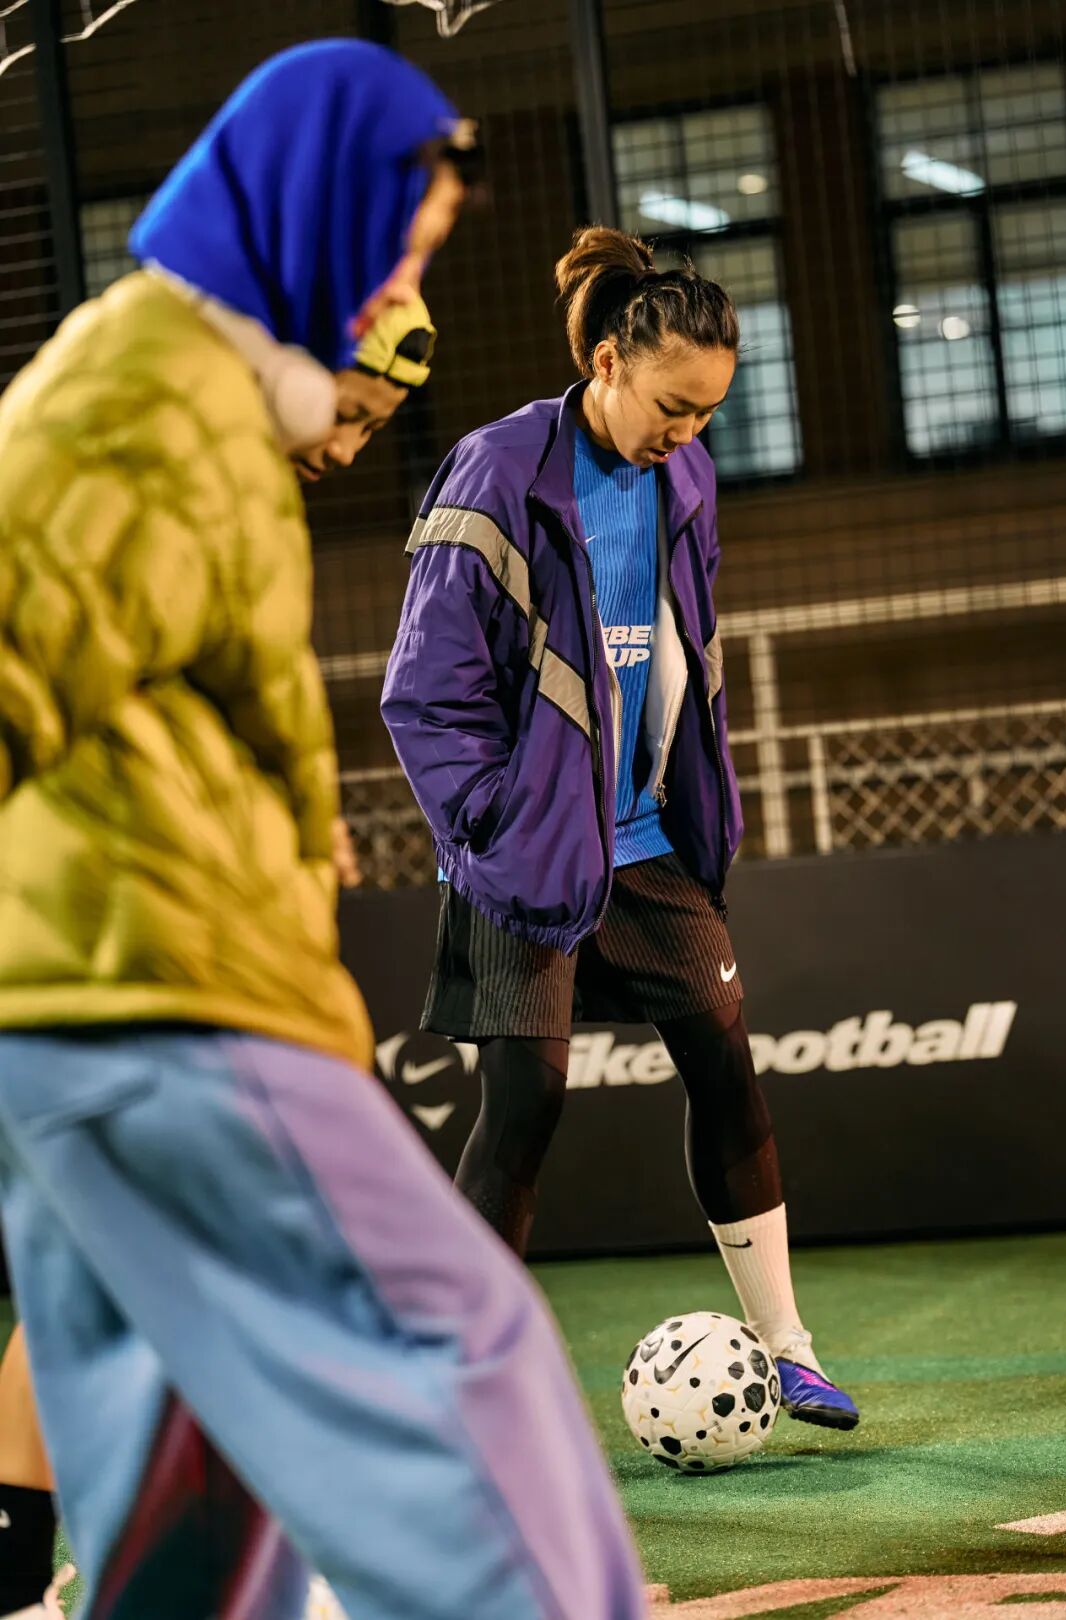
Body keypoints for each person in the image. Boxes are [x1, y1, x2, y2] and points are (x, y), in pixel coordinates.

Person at [0, 48, 646, 1620]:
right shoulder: (144, 406)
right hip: (162, 998)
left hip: (78, 1015)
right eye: (392, 251)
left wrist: (288, 833)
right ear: (301, 215)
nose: (396, 294)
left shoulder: (177, 395)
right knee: (453, 1348)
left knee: (190, 1489)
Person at [382, 224, 860, 1432]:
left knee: (726, 1061)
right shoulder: (495, 470)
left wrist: (697, 797)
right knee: (524, 1106)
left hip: (646, 843)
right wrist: (491, 829)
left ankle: (789, 1349)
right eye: (672, 406)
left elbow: (687, 650)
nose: (688, 434)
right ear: (606, 363)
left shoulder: (686, 478)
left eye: (708, 414)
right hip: (525, 851)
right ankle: (463, 1388)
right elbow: (424, 692)